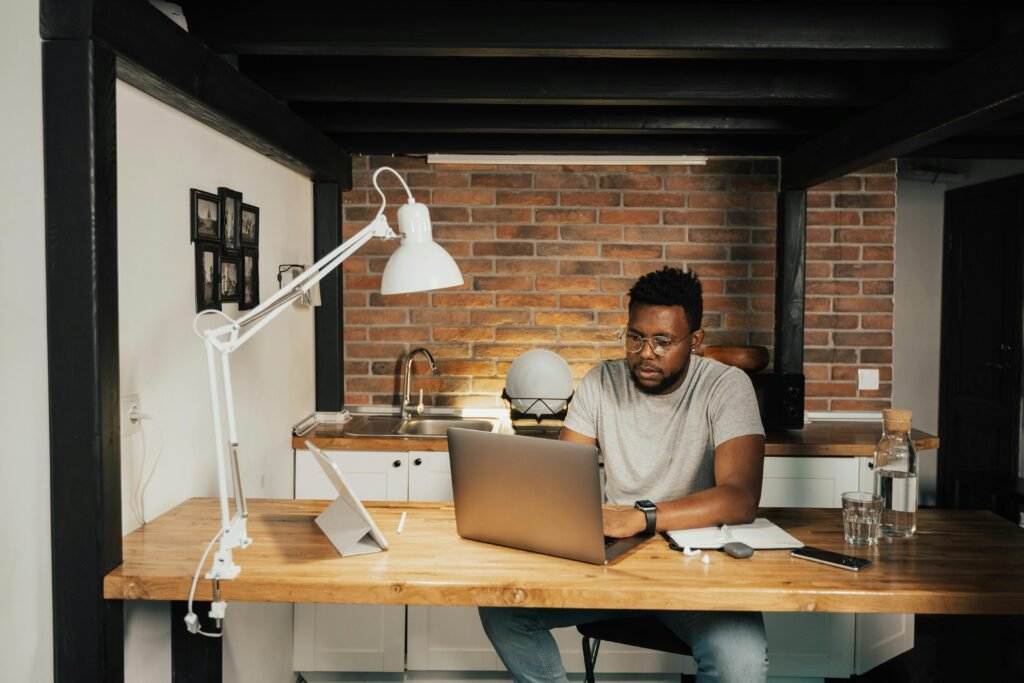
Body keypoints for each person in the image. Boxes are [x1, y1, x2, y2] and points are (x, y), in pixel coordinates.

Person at [478, 266, 769, 683]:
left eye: (663, 341)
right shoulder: (601, 381)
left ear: (696, 342)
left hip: (700, 569)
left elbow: (740, 498)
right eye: (635, 337)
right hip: (611, 564)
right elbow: (563, 486)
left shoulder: (727, 386)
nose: (645, 352)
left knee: (740, 668)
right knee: (502, 609)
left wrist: (641, 516)